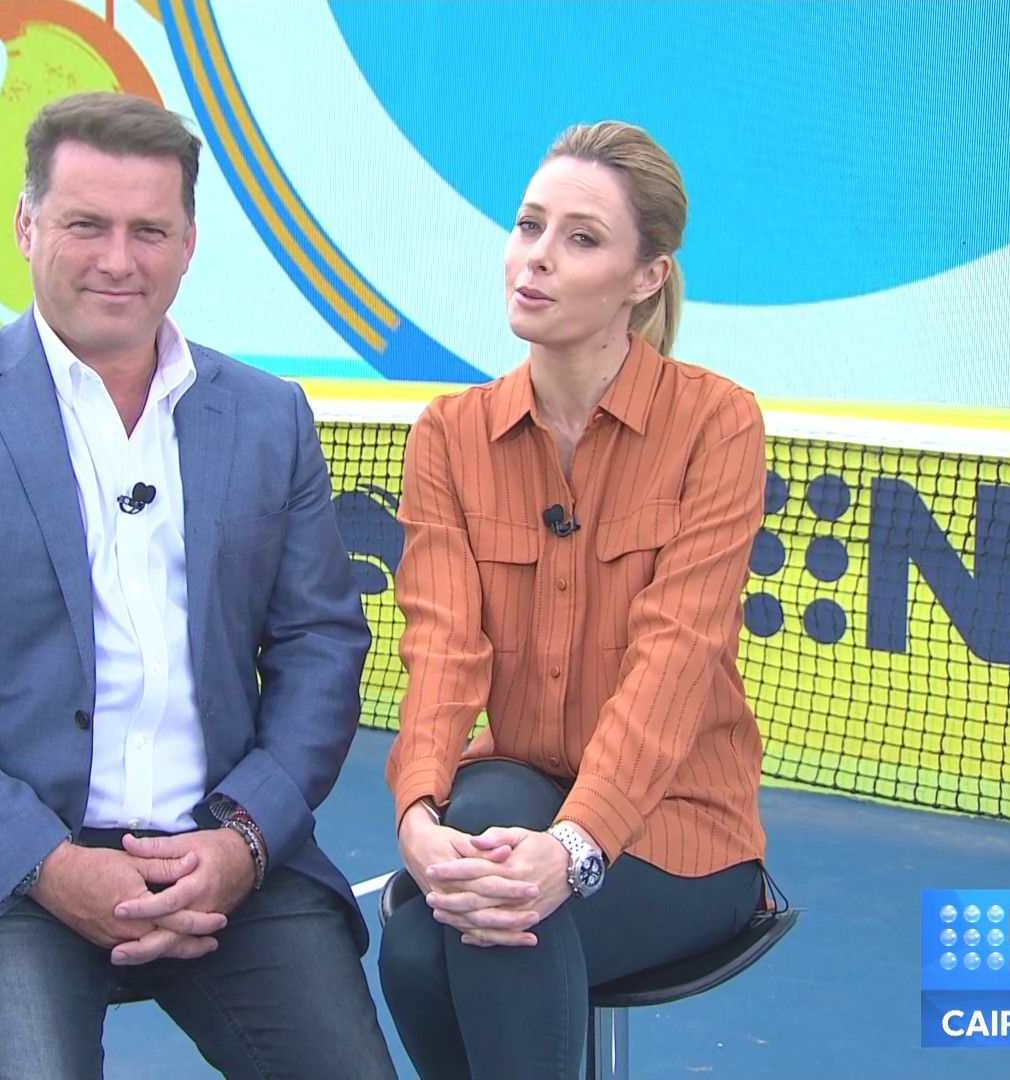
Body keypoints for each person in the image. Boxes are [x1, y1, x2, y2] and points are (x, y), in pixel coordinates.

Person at [0, 91, 395, 1080]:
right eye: (86, 225)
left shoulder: (269, 418)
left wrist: (243, 841)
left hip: (222, 860)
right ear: (27, 226)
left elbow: (321, 646)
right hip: (2, 874)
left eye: (149, 231)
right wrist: (45, 865)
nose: (118, 260)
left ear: (188, 243)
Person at [378, 120, 772, 1080]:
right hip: (516, 784)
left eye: (582, 238)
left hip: (679, 829)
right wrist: (417, 816)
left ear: (646, 278)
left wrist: (575, 847)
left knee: (467, 937)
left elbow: (675, 660)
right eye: (529, 226)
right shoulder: (448, 436)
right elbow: (441, 653)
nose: (537, 257)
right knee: (439, 917)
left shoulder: (717, 423)